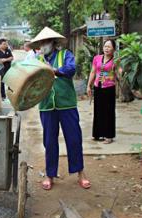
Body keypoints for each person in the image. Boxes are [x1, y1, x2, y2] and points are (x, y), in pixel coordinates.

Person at [29, 26, 91, 190]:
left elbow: (71, 69)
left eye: (45, 42)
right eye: (40, 42)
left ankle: (80, 172)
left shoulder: (66, 55)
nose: (42, 45)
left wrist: (55, 71)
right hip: (46, 105)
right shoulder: (37, 60)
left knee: (74, 138)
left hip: (67, 104)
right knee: (49, 141)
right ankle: (50, 174)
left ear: (53, 43)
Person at [87, 39, 119, 144]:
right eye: (105, 46)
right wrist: (89, 85)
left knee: (109, 112)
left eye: (109, 47)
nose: (106, 48)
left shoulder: (115, 60)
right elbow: (92, 72)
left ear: (113, 49)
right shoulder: (97, 58)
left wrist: (119, 70)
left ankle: (109, 136)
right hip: (98, 87)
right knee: (98, 111)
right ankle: (97, 134)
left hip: (109, 88)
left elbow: (119, 73)